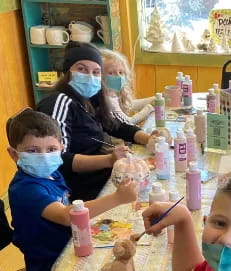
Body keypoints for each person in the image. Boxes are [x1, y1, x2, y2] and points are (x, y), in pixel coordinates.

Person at [6, 109, 138, 271]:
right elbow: (67, 216)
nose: (44, 156)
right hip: (50, 269)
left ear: (61, 148)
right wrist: (117, 198)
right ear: (14, 154)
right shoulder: (26, 189)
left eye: (51, 149)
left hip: (71, 248)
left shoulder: (51, 174)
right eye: (33, 151)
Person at [36, 42, 151, 201]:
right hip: (73, 188)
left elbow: (116, 125)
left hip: (95, 176)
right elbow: (57, 158)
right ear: (67, 71)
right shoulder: (59, 102)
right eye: (82, 69)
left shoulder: (92, 98)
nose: (89, 76)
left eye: (96, 72)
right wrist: (109, 159)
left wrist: (149, 139)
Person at [100, 48, 154, 125]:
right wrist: (149, 108)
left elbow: (128, 105)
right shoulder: (107, 99)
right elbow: (127, 122)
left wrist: (154, 99)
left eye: (121, 72)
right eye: (111, 73)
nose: (118, 76)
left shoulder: (112, 93)